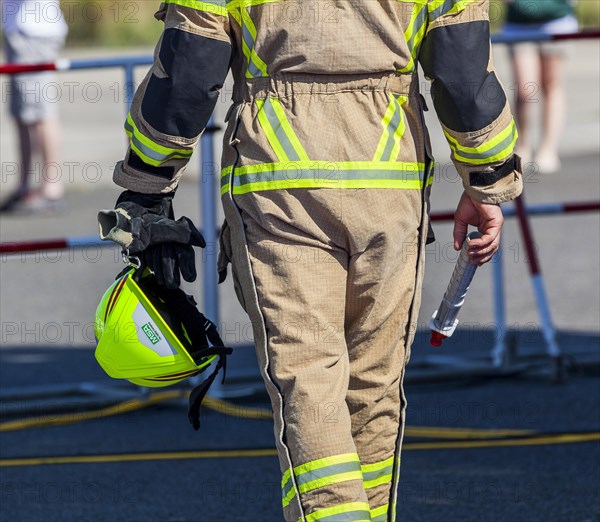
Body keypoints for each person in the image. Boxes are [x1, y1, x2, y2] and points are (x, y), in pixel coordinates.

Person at [99, 0, 523, 520]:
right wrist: (487, 178)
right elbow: (461, 71)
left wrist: (147, 184)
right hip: (388, 181)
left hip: (279, 185)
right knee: (375, 384)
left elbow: (189, 70)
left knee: (309, 381)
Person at [1, 0, 68, 213]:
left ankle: (51, 188)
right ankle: (25, 186)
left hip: (34, 32)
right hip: (21, 29)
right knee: (23, 114)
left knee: (41, 112)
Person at [503, 0, 578, 173]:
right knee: (524, 90)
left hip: (556, 21)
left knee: (551, 85)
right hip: (519, 24)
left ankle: (549, 149)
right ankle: (522, 145)